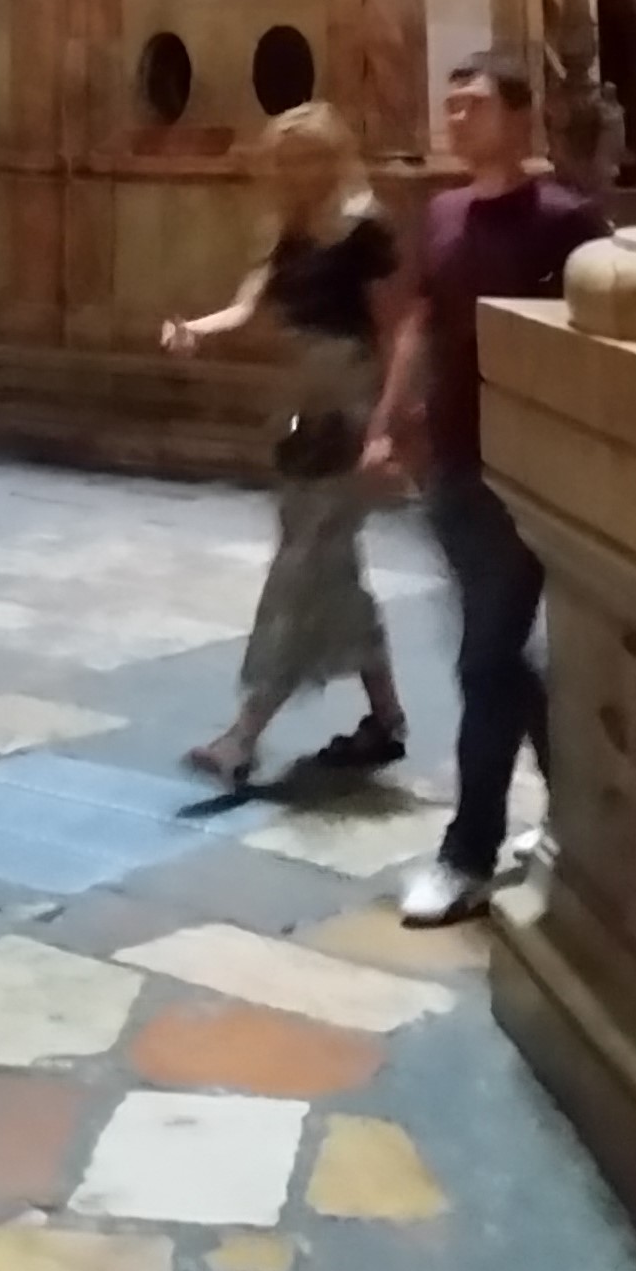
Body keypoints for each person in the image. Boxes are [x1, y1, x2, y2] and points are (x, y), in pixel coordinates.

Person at [362, 52, 607, 927]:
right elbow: (421, 322)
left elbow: (591, 344)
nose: (455, 120)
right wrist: (390, 419)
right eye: (450, 106)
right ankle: (586, 815)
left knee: (483, 659)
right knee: (500, 658)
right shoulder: (443, 214)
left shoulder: (568, 221)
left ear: (518, 116)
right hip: (459, 460)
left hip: (531, 470)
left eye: (472, 106)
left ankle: (467, 853)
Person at [164, 101, 409, 791]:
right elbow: (247, 307)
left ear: (334, 156)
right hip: (301, 404)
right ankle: (386, 716)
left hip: (349, 399)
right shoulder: (289, 232)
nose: (298, 171)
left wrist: (390, 425)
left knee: (302, 568)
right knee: (331, 564)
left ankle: (244, 734)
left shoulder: (365, 229)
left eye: (310, 156)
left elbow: (398, 328)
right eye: (287, 158)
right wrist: (196, 332)